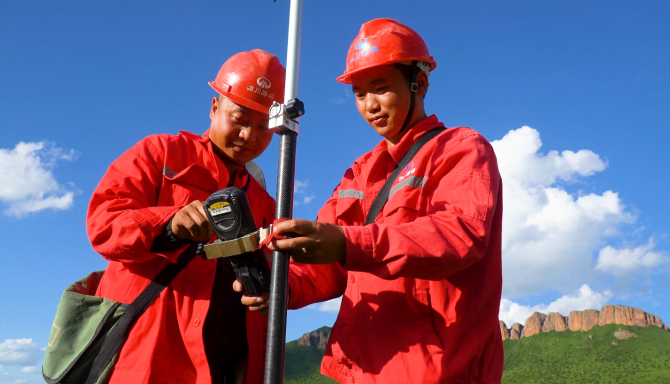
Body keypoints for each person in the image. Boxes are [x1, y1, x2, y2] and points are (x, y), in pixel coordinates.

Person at [239, 19, 504, 383]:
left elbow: (460, 235)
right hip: (359, 371)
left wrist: (347, 242)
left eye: (380, 89)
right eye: (360, 94)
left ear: (420, 83)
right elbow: (327, 267)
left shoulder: (460, 148)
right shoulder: (358, 172)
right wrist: (281, 287)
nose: (370, 105)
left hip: (437, 370)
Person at [86, 49, 284, 384]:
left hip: (233, 364)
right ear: (214, 107)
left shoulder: (266, 202)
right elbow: (103, 225)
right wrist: (170, 223)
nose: (249, 136)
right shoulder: (160, 152)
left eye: (263, 126)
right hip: (147, 359)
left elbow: (281, 277)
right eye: (239, 119)